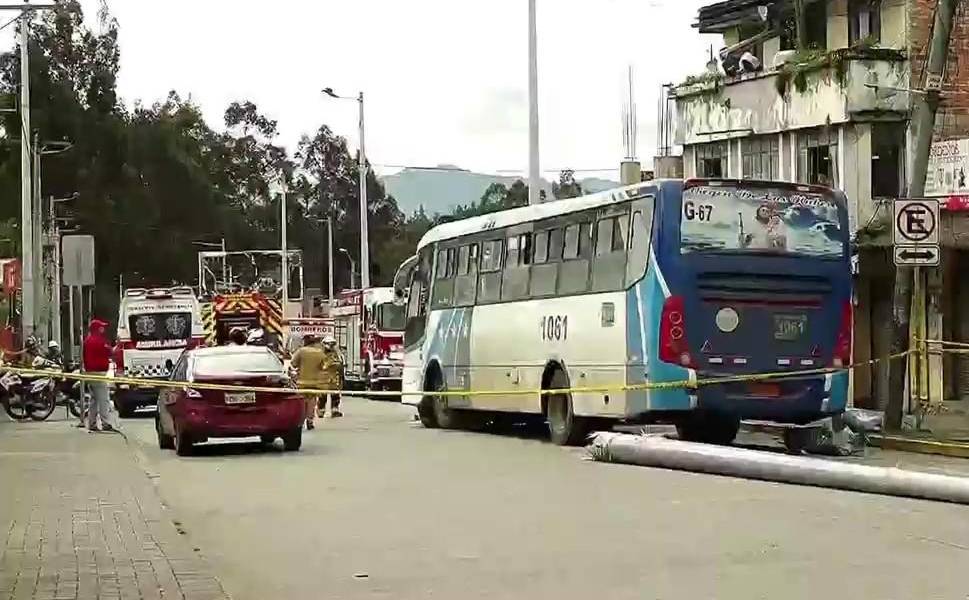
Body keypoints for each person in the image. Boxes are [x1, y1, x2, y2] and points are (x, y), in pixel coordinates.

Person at [83, 318, 114, 432]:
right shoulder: (100, 341)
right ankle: (106, 423)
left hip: (89, 373)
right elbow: (110, 352)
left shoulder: (87, 341)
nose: (103, 329)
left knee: (94, 399)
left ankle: (92, 423)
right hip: (98, 373)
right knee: (103, 399)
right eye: (101, 327)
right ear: (97, 329)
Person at [290, 334, 325, 430]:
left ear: (305, 342)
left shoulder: (301, 351)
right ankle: (310, 420)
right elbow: (324, 367)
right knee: (312, 402)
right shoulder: (320, 353)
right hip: (315, 383)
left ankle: (300, 421)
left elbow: (293, 363)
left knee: (301, 402)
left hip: (301, 382)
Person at [319, 335, 344, 418]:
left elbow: (341, 365)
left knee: (335, 394)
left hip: (334, 378)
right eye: (329, 344)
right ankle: (321, 410)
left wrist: (341, 378)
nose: (330, 346)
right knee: (322, 395)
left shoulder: (337, 354)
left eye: (332, 344)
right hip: (324, 378)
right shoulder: (320, 354)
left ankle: (334, 410)